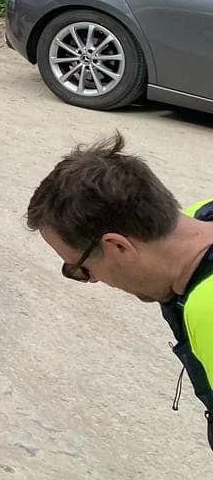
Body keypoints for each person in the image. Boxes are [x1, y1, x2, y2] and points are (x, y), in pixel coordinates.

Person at [26, 133, 213, 451]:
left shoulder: (206, 307)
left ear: (118, 246)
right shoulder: (201, 214)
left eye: (80, 269)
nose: (94, 281)